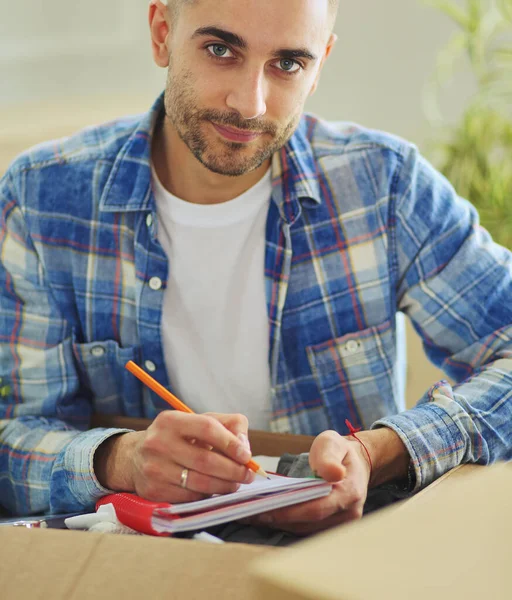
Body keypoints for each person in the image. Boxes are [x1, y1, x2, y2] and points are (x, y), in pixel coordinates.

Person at [1, 0, 511, 533]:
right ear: (161, 34)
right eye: (221, 50)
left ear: (320, 64)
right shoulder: (43, 199)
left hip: (339, 565)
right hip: (139, 566)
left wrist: (380, 451)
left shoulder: (384, 186)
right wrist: (121, 460)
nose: (250, 103)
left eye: (288, 64)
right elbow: (11, 446)